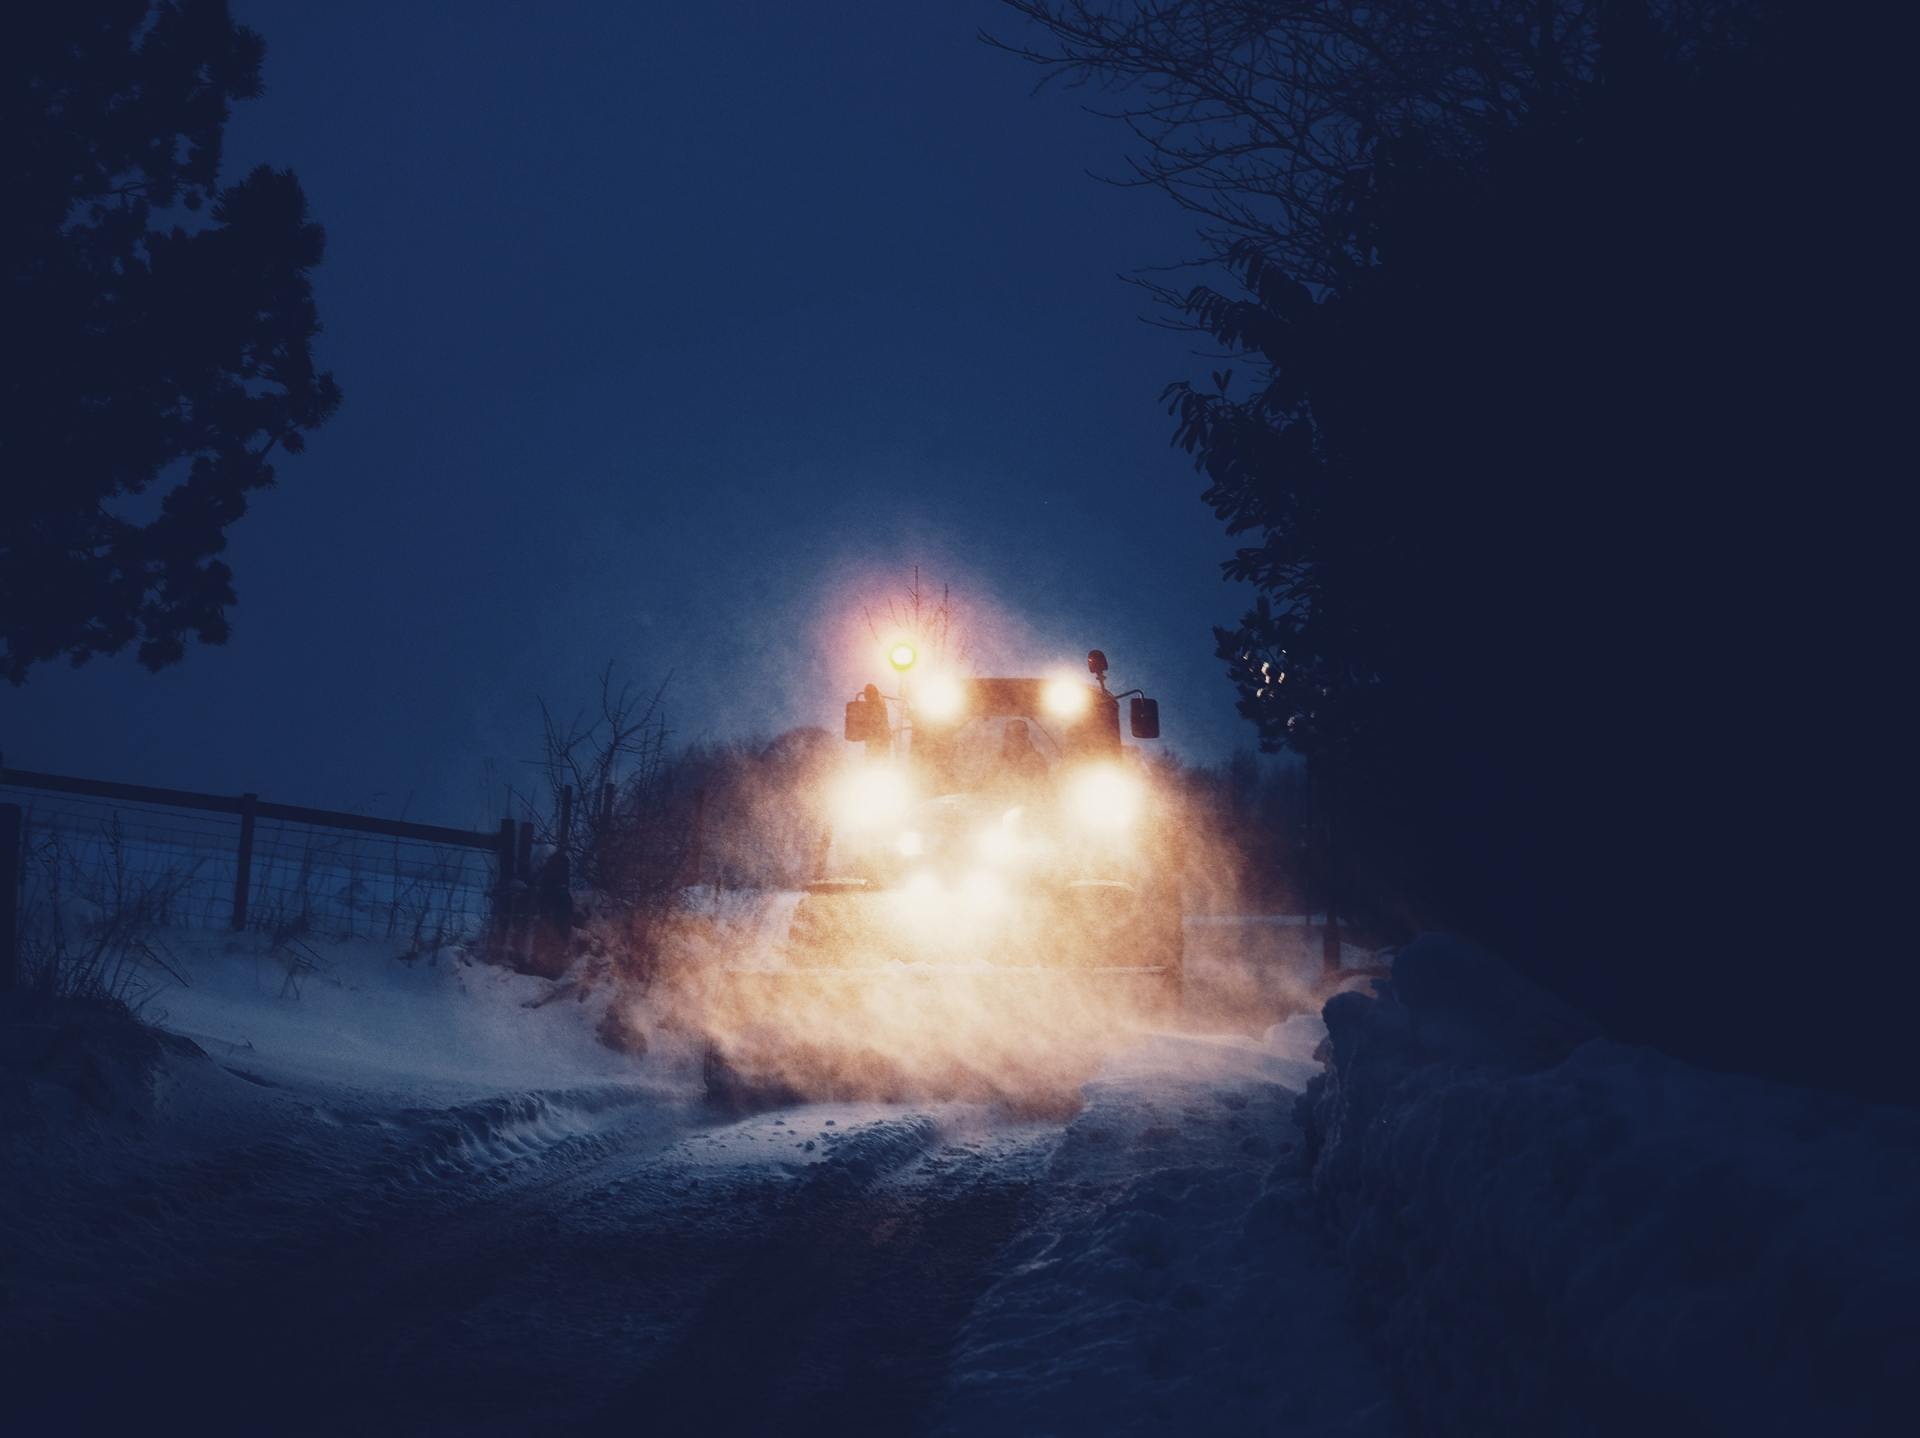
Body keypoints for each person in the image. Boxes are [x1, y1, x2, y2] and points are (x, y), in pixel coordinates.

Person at [997, 719, 1050, 791]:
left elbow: (1043, 784)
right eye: (1012, 734)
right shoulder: (998, 759)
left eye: (1020, 734)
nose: (1017, 738)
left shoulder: (1037, 759)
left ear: (1026, 735)